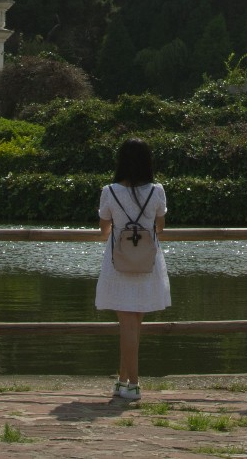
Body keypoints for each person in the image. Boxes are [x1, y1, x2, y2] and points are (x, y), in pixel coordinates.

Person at [96, 137, 169, 401]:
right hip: (147, 261)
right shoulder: (156, 190)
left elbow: (105, 229)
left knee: (126, 322)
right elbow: (159, 226)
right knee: (134, 322)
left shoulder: (110, 190)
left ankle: (134, 384)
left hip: (119, 260)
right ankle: (123, 379)